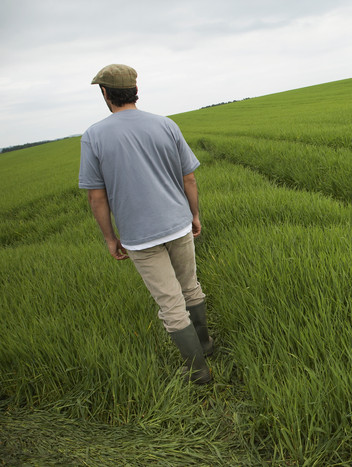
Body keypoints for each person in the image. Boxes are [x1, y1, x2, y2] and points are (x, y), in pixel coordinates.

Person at [79, 64, 213, 384]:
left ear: (105, 93)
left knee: (170, 302)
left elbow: (97, 199)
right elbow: (189, 177)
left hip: (140, 237)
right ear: (135, 90)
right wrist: (194, 215)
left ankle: (198, 372)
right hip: (179, 224)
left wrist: (110, 238)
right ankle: (206, 344)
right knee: (190, 286)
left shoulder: (94, 136)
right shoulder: (165, 125)